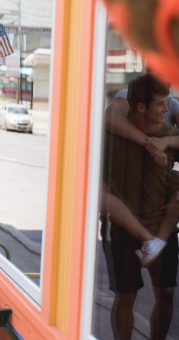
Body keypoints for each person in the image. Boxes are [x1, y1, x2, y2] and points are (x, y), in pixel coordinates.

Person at [101, 74, 179, 340]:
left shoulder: (170, 136)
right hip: (122, 230)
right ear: (142, 107)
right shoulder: (110, 138)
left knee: (167, 293)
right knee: (126, 296)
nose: (167, 110)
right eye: (161, 104)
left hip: (162, 229)